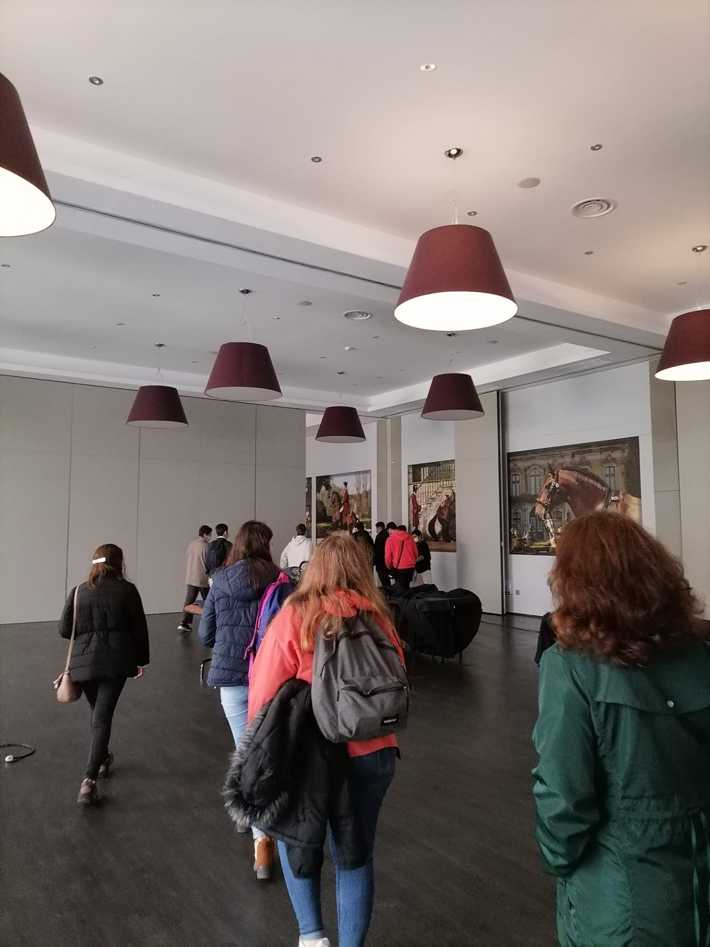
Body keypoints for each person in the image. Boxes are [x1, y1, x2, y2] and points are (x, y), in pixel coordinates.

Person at [533, 512, 710, 947]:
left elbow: (563, 797)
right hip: (697, 879)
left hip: (620, 897)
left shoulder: (569, 668)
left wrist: (558, 859)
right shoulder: (699, 654)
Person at [248, 532, 405, 947]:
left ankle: (312, 936)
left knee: (296, 838)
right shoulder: (378, 617)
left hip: (310, 755)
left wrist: (258, 749)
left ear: (314, 568)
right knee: (356, 853)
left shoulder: (296, 616)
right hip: (375, 750)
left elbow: (263, 693)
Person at [199, 521, 280, 880]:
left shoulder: (220, 581)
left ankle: (256, 829)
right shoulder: (281, 580)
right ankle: (259, 824)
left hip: (231, 678)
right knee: (265, 751)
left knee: (244, 749)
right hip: (270, 677)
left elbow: (206, 634)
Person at [58, 544, 149, 806]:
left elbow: (64, 629)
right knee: (102, 717)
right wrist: (140, 661)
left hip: (84, 665)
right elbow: (139, 629)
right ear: (119, 563)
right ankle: (89, 780)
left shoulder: (79, 591)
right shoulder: (127, 590)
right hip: (115, 663)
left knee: (98, 713)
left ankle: (104, 757)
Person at [177, 525, 212, 633]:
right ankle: (210, 623)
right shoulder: (207, 546)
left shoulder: (191, 544)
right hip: (203, 578)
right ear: (205, 534)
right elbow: (209, 563)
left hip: (191, 577)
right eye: (209, 535)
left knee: (189, 601)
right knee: (209, 601)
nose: (210, 537)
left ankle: (184, 623)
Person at [384, 524, 418, 592]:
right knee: (407, 587)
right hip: (410, 568)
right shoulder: (410, 538)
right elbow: (416, 553)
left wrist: (389, 566)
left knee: (400, 590)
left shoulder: (390, 539)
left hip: (398, 568)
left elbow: (388, 556)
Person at [373, 521, 390, 589]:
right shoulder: (387, 535)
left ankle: (387, 591)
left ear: (379, 528)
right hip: (386, 560)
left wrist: (375, 560)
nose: (376, 530)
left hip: (380, 561)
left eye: (377, 528)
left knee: (383, 578)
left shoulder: (380, 536)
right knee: (386, 578)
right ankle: (389, 589)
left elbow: (378, 550)